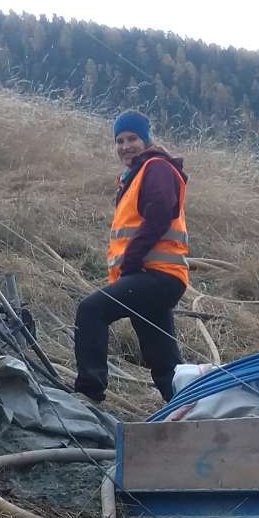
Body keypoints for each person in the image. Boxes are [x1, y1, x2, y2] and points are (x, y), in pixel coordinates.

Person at [74, 110, 188, 403]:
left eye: (132, 138)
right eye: (119, 140)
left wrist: (132, 260)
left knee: (91, 311)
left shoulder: (156, 168)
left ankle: (89, 392)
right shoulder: (135, 176)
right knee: (163, 360)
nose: (125, 146)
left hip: (155, 275)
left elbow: (160, 212)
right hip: (156, 278)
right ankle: (185, 407)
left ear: (146, 139)